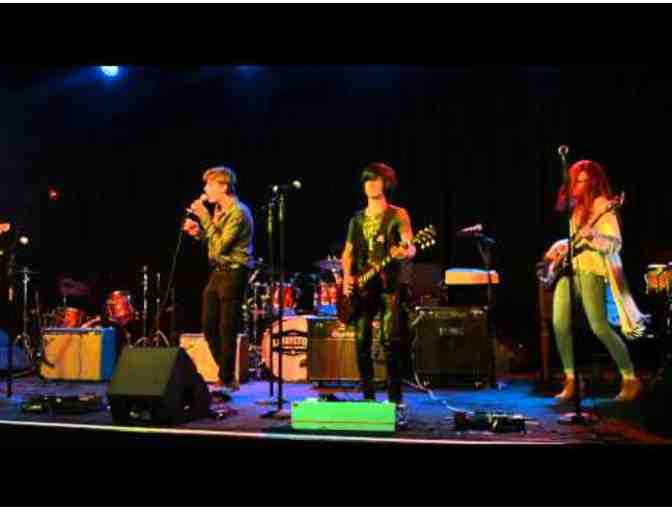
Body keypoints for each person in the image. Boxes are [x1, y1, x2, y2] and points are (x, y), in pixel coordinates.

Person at [544, 159, 647, 402]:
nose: (578, 185)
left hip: (591, 269)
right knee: (559, 323)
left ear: (593, 182)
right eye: (575, 180)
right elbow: (575, 240)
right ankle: (571, 379)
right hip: (570, 269)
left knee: (599, 326)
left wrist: (593, 235)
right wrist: (561, 247)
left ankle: (630, 378)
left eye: (584, 180)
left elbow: (615, 243)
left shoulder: (602, 205)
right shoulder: (575, 208)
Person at [341, 162, 416, 419]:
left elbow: (410, 245)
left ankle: (395, 399)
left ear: (387, 184)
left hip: (389, 286)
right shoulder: (356, 219)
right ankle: (368, 397)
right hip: (362, 287)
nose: (370, 185)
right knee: (361, 340)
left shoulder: (397, 214)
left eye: (376, 180)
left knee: (390, 341)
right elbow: (348, 253)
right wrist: (346, 277)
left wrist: (406, 250)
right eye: (367, 180)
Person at [183, 166, 254, 393]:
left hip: (234, 272)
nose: (205, 189)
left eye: (209, 185)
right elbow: (214, 244)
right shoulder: (219, 211)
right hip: (218, 272)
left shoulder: (238, 212)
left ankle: (226, 378)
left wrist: (203, 216)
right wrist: (199, 233)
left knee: (227, 328)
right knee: (208, 325)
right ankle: (226, 375)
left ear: (223, 187)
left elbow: (222, 246)